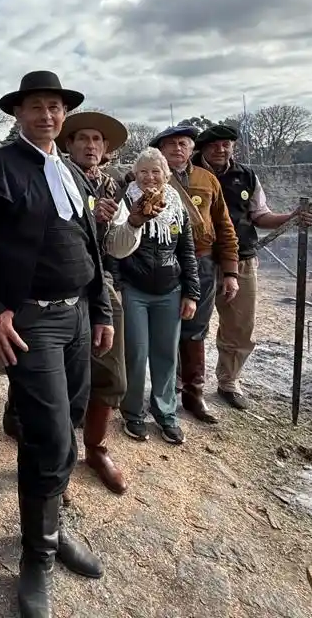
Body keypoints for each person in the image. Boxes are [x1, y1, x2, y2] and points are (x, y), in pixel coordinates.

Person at [0, 71, 129, 618]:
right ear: (18, 112)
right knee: (48, 433)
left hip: (78, 315)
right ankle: (36, 556)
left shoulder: (72, 172)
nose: (47, 116)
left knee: (72, 421)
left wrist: (101, 308)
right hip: (30, 321)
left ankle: (54, 528)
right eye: (37, 106)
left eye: (56, 107)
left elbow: (91, 245)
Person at [192, 124, 312, 409]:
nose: (221, 150)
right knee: (190, 322)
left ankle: (229, 380)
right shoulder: (188, 172)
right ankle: (184, 380)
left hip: (241, 258)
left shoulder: (246, 176)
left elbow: (260, 216)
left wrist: (292, 217)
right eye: (214, 145)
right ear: (203, 148)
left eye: (226, 145)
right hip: (198, 259)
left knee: (239, 325)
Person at [59, 110, 140, 491]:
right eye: (83, 138)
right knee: (55, 373)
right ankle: (54, 451)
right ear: (69, 144)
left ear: (105, 149)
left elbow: (118, 249)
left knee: (110, 370)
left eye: (97, 140)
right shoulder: (55, 175)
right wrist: (91, 217)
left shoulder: (111, 187)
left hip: (100, 282)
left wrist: (132, 222)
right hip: (59, 283)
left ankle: (95, 447)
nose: (90, 146)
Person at [150, 124, 239, 425]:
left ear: (192, 149)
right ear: (161, 149)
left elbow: (224, 226)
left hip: (202, 262)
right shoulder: (148, 177)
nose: (178, 148)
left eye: (184, 143)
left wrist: (230, 271)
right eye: (171, 144)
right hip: (162, 262)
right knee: (163, 329)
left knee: (196, 329)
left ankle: (194, 393)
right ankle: (163, 393)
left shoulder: (207, 179)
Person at [111, 148, 201, 445]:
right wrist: (118, 287)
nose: (150, 177)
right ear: (134, 175)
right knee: (136, 354)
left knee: (165, 354)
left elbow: (187, 251)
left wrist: (191, 293)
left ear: (166, 175)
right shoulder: (125, 202)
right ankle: (133, 412)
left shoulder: (176, 205)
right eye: (143, 172)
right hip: (134, 290)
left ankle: (166, 413)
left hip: (170, 290)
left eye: (156, 171)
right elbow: (114, 250)